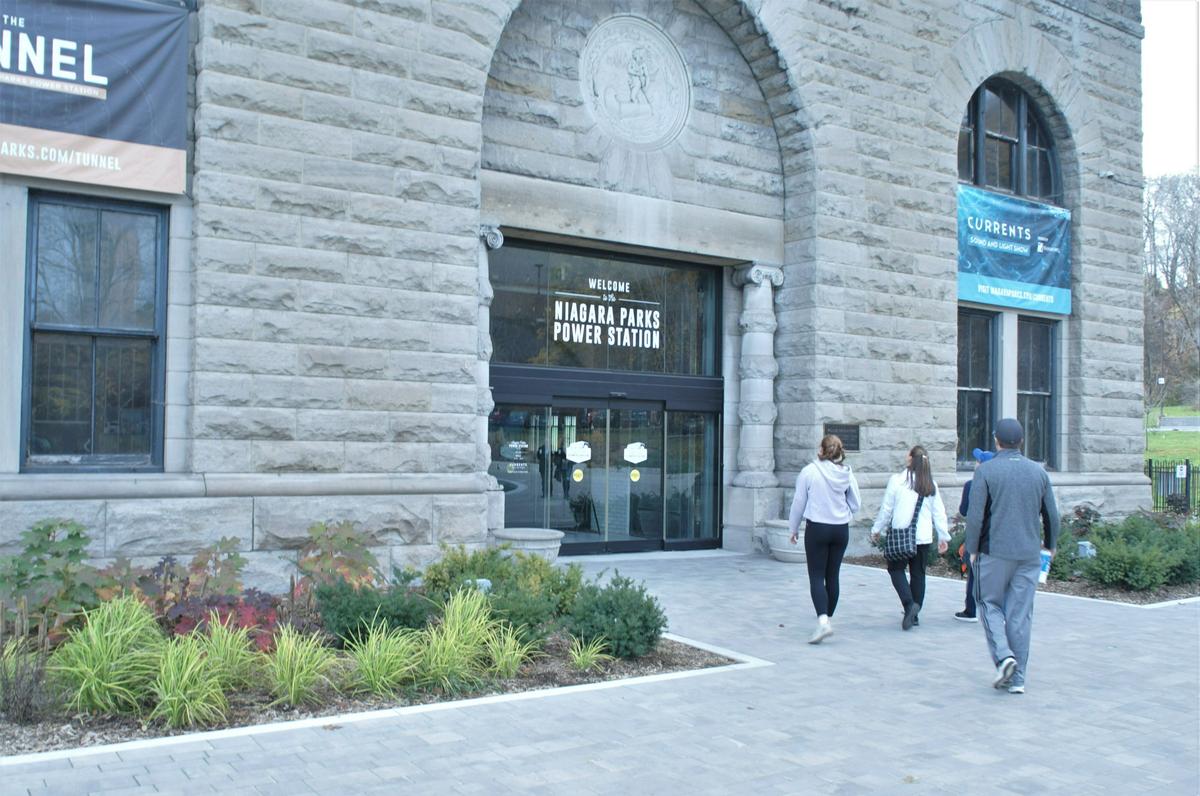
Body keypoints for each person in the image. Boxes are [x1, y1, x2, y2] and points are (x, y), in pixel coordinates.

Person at [964, 418, 1059, 694]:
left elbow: (975, 517)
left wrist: (971, 549)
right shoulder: (1038, 472)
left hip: (994, 552)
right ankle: (1018, 679)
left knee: (988, 604)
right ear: (1021, 441)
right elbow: (1051, 514)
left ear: (996, 441)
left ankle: (1004, 657)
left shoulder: (987, 472)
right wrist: (1050, 545)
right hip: (1029, 554)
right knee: (1020, 615)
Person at [788, 434, 862, 644]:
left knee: (816, 576)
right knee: (833, 575)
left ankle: (823, 622)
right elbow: (856, 504)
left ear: (821, 450)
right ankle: (826, 618)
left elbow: (798, 503)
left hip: (818, 528)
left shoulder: (809, 472)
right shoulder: (846, 473)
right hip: (840, 529)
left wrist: (793, 528)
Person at [870, 445, 950, 630]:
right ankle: (914, 615)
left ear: (909, 458)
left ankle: (908, 604)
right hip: (922, 537)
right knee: (918, 574)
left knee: (895, 570)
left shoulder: (897, 481)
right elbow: (939, 513)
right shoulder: (930, 484)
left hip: (901, 535)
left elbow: (886, 509)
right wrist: (943, 536)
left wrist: (877, 529)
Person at [955, 447, 995, 622]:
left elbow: (963, 510)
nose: (975, 463)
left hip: (976, 534)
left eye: (978, 461)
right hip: (996, 533)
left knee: (973, 572)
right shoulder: (998, 486)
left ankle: (971, 610)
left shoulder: (971, 485)